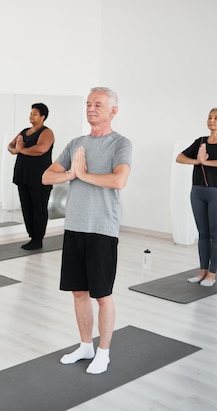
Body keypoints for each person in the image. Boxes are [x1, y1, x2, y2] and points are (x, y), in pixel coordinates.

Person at [42, 87, 132, 375]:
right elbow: (47, 176)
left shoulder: (121, 143)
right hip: (75, 227)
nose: (91, 108)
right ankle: (85, 346)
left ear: (113, 110)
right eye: (88, 104)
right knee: (78, 293)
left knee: (102, 295)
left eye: (98, 104)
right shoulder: (76, 143)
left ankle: (103, 352)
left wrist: (82, 175)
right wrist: (71, 173)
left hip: (102, 229)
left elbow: (119, 181)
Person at [176, 108, 217, 287]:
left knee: (216, 235)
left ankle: (212, 274)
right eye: (210, 117)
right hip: (198, 191)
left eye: (216, 118)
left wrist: (207, 162)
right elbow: (180, 158)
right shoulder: (201, 141)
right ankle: (202, 271)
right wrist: (197, 161)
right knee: (203, 234)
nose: (212, 120)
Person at [8, 103, 55, 249]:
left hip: (39, 177)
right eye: (31, 113)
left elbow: (41, 149)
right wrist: (16, 150)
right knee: (27, 207)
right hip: (23, 175)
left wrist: (20, 149)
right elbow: (11, 145)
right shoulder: (24, 131)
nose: (31, 116)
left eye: (35, 114)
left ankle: (38, 238)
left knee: (38, 207)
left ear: (43, 117)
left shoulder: (47, 132)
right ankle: (31, 236)